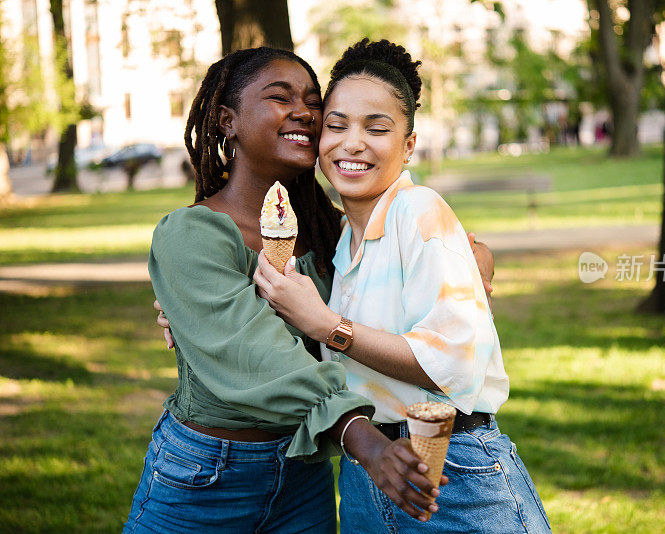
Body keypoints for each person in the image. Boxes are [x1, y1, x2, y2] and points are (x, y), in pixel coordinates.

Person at [124, 46, 453, 533]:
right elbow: (257, 353)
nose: (305, 111)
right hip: (206, 479)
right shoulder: (192, 236)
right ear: (226, 119)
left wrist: (478, 261)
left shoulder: (334, 234)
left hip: (305, 476)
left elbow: (443, 248)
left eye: (313, 101)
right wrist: (364, 441)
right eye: (280, 97)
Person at [255, 39, 551, 533]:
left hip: (453, 474)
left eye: (377, 128)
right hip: (367, 474)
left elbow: (451, 362)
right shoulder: (345, 238)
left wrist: (328, 326)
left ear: (408, 145)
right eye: (336, 125)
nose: (352, 143)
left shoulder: (419, 211)